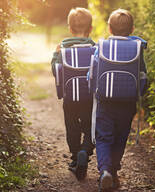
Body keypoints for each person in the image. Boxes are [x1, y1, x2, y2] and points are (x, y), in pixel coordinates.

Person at [90, 9, 148, 191]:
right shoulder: (137, 49)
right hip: (127, 103)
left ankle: (105, 171)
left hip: (105, 102)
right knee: (121, 138)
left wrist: (95, 92)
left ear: (109, 28)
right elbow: (143, 78)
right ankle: (114, 172)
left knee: (103, 137)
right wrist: (138, 95)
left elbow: (92, 74)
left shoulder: (102, 46)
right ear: (132, 29)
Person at [50, 7, 95, 180]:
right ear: (90, 29)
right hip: (90, 98)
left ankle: (76, 158)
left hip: (70, 98)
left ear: (70, 28)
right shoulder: (95, 48)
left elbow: (56, 71)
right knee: (90, 127)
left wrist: (55, 55)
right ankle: (85, 150)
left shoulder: (63, 49)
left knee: (72, 128)